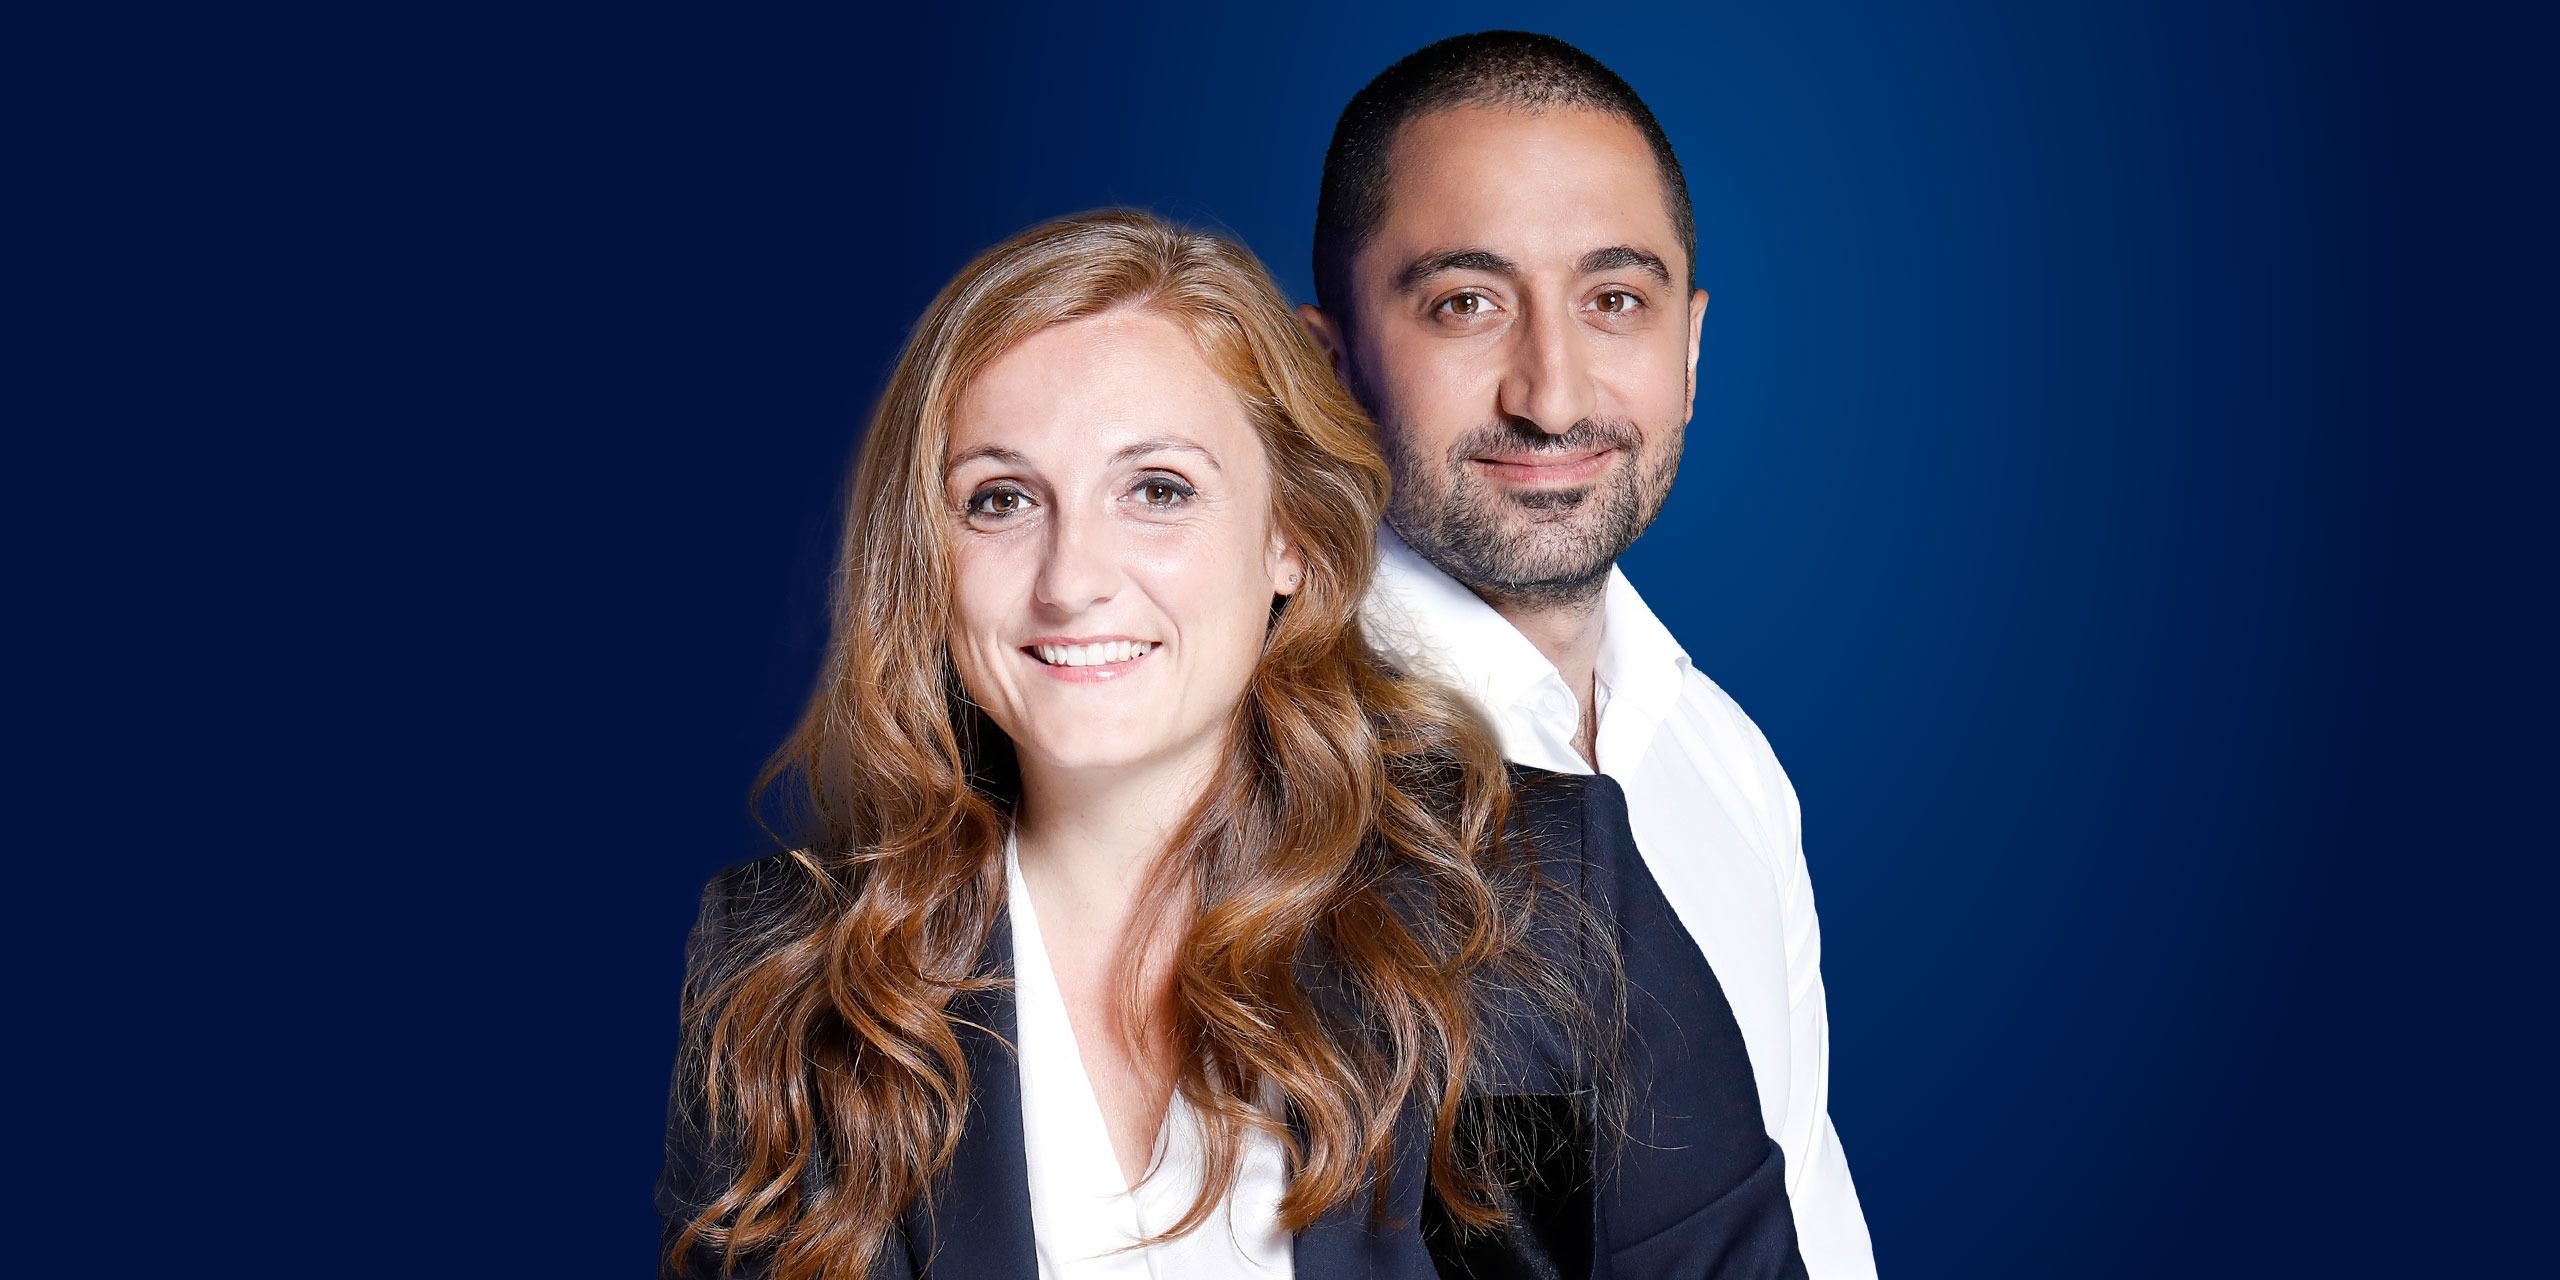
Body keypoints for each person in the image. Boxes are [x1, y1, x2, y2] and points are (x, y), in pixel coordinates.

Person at [657, 210, 1805, 1279]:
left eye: (1158, 489)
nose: (1071, 579)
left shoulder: (1533, 891)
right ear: (925, 554)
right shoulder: (780, 974)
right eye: (1000, 499)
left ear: (1288, 540)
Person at [1298, 33, 1879, 1277]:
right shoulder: (1258, 770)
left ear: (1690, 348)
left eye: (1614, 300)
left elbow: (1804, 1233)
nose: (1551, 396)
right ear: (1327, 366)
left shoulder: (1726, 765)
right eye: (1465, 303)